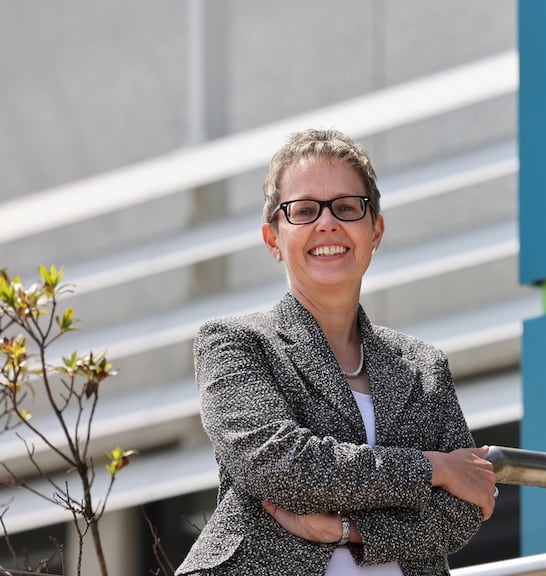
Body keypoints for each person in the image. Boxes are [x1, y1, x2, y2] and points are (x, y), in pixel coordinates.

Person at [176, 128, 496, 576]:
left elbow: (462, 509)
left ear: (375, 229)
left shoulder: (424, 366)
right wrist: (432, 467)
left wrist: (347, 530)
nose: (327, 223)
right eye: (304, 210)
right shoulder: (235, 344)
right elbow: (283, 465)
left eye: (347, 207)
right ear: (273, 239)